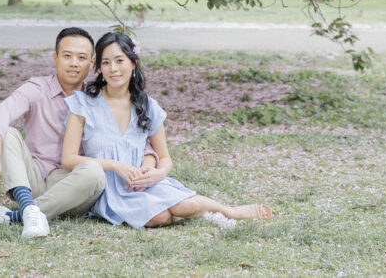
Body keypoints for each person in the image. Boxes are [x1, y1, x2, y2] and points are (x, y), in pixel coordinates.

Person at [61, 31, 272, 229]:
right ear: (99, 67)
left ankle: (229, 211)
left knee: (183, 206)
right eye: (106, 63)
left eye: (119, 61)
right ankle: (197, 212)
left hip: (142, 184)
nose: (113, 69)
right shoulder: (83, 104)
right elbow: (68, 159)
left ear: (133, 64)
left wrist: (157, 173)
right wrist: (115, 166)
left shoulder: (147, 106)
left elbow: (165, 158)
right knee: (160, 217)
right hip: (108, 189)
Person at [0, 27, 108, 240]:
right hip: (34, 178)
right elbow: (2, 113)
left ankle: (15, 216)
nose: (74, 63)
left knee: (94, 172)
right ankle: (29, 207)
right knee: (8, 133)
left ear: (91, 62)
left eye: (81, 57)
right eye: (67, 56)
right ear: (55, 58)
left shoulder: (98, 98)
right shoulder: (37, 88)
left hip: (73, 187)